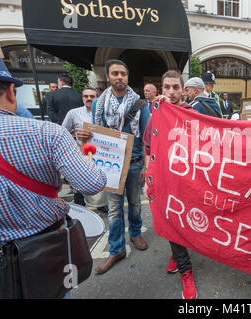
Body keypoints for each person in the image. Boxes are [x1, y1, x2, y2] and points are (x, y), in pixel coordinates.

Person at [0, 55, 107, 298]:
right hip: (42, 250)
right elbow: (92, 183)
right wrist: (95, 163)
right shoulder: (48, 134)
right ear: (11, 92)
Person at [90, 59, 150, 275]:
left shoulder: (140, 105)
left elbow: (146, 139)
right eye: (115, 73)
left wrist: (146, 165)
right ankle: (116, 250)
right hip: (111, 167)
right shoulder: (98, 105)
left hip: (134, 165)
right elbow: (95, 135)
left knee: (135, 204)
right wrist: (84, 137)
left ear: (127, 77)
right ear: (108, 77)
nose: (120, 77)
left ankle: (135, 233)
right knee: (114, 211)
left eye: (123, 73)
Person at [143, 70, 198, 299]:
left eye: (176, 87)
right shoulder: (156, 113)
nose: (172, 92)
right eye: (167, 87)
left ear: (183, 90)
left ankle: (178, 255)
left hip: (187, 180)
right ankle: (186, 270)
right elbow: (147, 147)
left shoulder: (193, 114)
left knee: (185, 222)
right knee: (170, 220)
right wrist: (149, 177)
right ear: (161, 90)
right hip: (165, 181)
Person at [62, 87, 109, 214]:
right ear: (82, 98)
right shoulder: (73, 113)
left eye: (92, 96)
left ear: (97, 98)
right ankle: (80, 209)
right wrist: (75, 137)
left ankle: (101, 205)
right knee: (80, 184)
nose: (89, 99)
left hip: (101, 154)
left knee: (100, 179)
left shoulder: (104, 113)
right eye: (86, 96)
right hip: (81, 154)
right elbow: (62, 132)